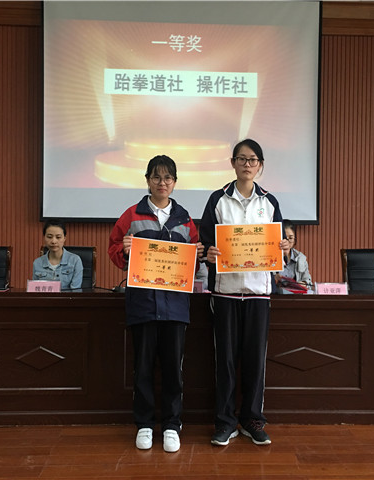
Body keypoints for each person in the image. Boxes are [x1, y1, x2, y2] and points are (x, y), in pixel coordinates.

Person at [108, 155, 204, 453]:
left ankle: (172, 425)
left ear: (174, 182)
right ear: (147, 180)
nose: (162, 183)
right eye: (156, 177)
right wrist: (123, 249)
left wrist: (198, 254)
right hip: (143, 305)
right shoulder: (131, 216)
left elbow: (194, 262)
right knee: (143, 368)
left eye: (168, 178)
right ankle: (145, 424)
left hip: (175, 306)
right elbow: (114, 250)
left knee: (174, 369)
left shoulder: (185, 220)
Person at [200, 139, 285, 447]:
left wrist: (282, 247)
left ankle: (252, 420)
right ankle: (224, 422)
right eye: (241, 159)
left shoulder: (269, 201)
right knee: (224, 360)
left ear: (260, 165)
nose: (247, 165)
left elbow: (276, 245)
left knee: (255, 360)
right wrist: (209, 253)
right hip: (225, 292)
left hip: (259, 291)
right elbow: (205, 243)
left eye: (252, 160)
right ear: (232, 163)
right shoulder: (218, 200)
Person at [32, 219, 83, 291]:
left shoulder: (75, 261)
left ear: (64, 238)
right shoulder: (37, 263)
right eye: (49, 237)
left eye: (58, 237)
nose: (53, 241)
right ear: (44, 237)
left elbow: (75, 292)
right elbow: (35, 292)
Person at [273, 219, 312, 292]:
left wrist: (302, 284)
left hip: (295, 296)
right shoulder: (271, 257)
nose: (287, 242)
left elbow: (308, 282)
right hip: (275, 295)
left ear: (294, 240)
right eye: (284, 238)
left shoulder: (300, 258)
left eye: (290, 238)